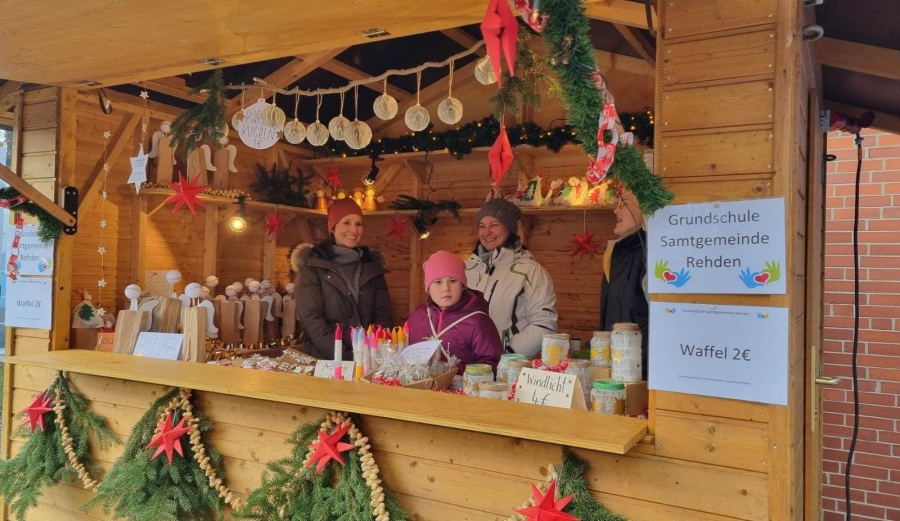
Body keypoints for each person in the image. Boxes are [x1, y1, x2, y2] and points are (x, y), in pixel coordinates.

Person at [291, 198, 392, 359]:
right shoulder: (313, 268)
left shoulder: (372, 267)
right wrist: (344, 358)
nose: (354, 229)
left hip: (368, 359)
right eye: (346, 222)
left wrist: (371, 353)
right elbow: (312, 320)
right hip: (326, 360)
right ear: (333, 227)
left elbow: (383, 314)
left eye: (358, 224)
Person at [465, 198, 558, 358]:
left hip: (508, 364)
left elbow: (545, 323)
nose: (486, 232)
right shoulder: (465, 269)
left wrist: (506, 356)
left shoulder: (530, 271)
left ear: (509, 229)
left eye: (494, 225)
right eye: (482, 226)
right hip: (469, 365)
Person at [408, 251, 503, 374]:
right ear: (428, 287)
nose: (446, 288)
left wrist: (452, 373)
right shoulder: (418, 316)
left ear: (463, 285)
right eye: (438, 282)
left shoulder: (478, 322)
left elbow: (492, 364)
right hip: (420, 385)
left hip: (463, 386)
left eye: (453, 281)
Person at [600, 188, 649, 378]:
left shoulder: (652, 253)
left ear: (645, 210)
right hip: (619, 369)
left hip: (642, 373)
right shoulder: (616, 253)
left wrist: (635, 365)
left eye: (624, 204)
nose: (616, 210)